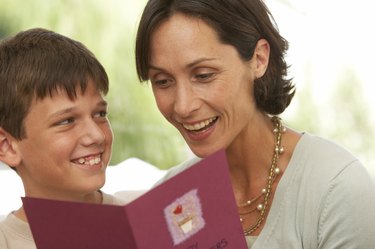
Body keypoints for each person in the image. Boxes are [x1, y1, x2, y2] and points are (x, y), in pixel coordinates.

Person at [135, 0, 375, 248]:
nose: (183, 106)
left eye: (203, 75)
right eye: (163, 81)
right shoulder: (170, 197)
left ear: (259, 59)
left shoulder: (335, 189)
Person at [0, 28, 125, 249]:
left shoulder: (148, 217)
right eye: (66, 121)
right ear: (8, 146)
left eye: (100, 114)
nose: (96, 135)